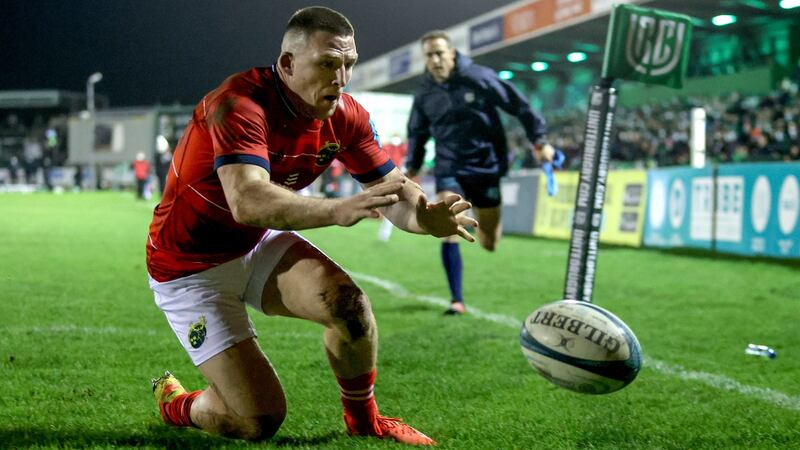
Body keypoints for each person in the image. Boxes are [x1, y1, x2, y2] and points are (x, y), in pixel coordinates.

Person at [146, 7, 476, 446]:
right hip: (189, 268)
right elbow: (247, 199)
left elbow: (390, 189)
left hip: (255, 245)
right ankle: (178, 405)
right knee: (257, 421)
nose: (341, 78)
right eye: (327, 64)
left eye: (348, 64)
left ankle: (365, 422)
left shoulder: (346, 114)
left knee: (350, 307)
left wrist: (425, 217)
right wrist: (336, 210)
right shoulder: (237, 104)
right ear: (286, 64)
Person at [405, 30, 554, 315]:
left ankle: (489, 232)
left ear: (451, 53)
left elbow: (520, 106)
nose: (435, 60)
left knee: (489, 242)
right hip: (449, 166)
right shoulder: (424, 94)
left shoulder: (479, 77)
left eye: (439, 53)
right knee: (447, 224)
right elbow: (418, 133)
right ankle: (456, 300)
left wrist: (540, 141)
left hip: (486, 166)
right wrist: (413, 166)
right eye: (429, 55)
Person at [377, 134, 408, 241]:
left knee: (392, 204)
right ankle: (385, 231)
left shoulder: (403, 148)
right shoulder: (387, 147)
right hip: (386, 178)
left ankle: (385, 232)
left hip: (398, 179)